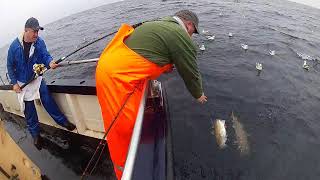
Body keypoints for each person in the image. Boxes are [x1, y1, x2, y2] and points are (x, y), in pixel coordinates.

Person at [95, 10, 207, 179]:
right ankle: (124, 171)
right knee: (122, 129)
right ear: (189, 24)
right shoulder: (179, 34)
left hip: (119, 69)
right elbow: (190, 72)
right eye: (193, 31)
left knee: (126, 124)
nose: (192, 36)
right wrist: (198, 94)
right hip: (117, 78)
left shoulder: (161, 24)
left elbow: (154, 52)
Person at [6, 17, 76, 150]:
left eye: (38, 32)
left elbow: (45, 55)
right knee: (29, 109)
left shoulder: (39, 42)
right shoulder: (14, 46)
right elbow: (9, 66)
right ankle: (35, 135)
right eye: (34, 31)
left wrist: (50, 62)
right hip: (22, 82)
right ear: (26, 30)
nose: (36, 35)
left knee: (47, 98)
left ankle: (63, 122)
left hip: (35, 77)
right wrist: (14, 83)